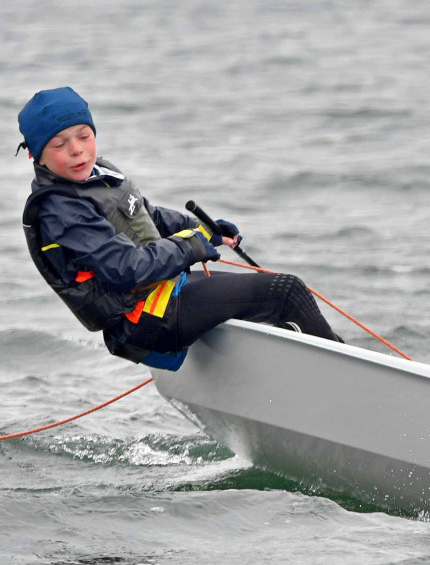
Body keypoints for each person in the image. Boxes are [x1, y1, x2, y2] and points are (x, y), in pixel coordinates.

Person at [17, 86, 342, 371]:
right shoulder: (61, 210)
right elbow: (127, 269)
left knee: (271, 302)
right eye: (59, 144)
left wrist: (205, 229)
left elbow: (147, 217)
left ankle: (305, 379)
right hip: (143, 321)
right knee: (285, 291)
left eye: (84, 136)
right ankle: (348, 377)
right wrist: (192, 244)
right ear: (37, 155)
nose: (77, 149)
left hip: (164, 292)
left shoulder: (99, 174)